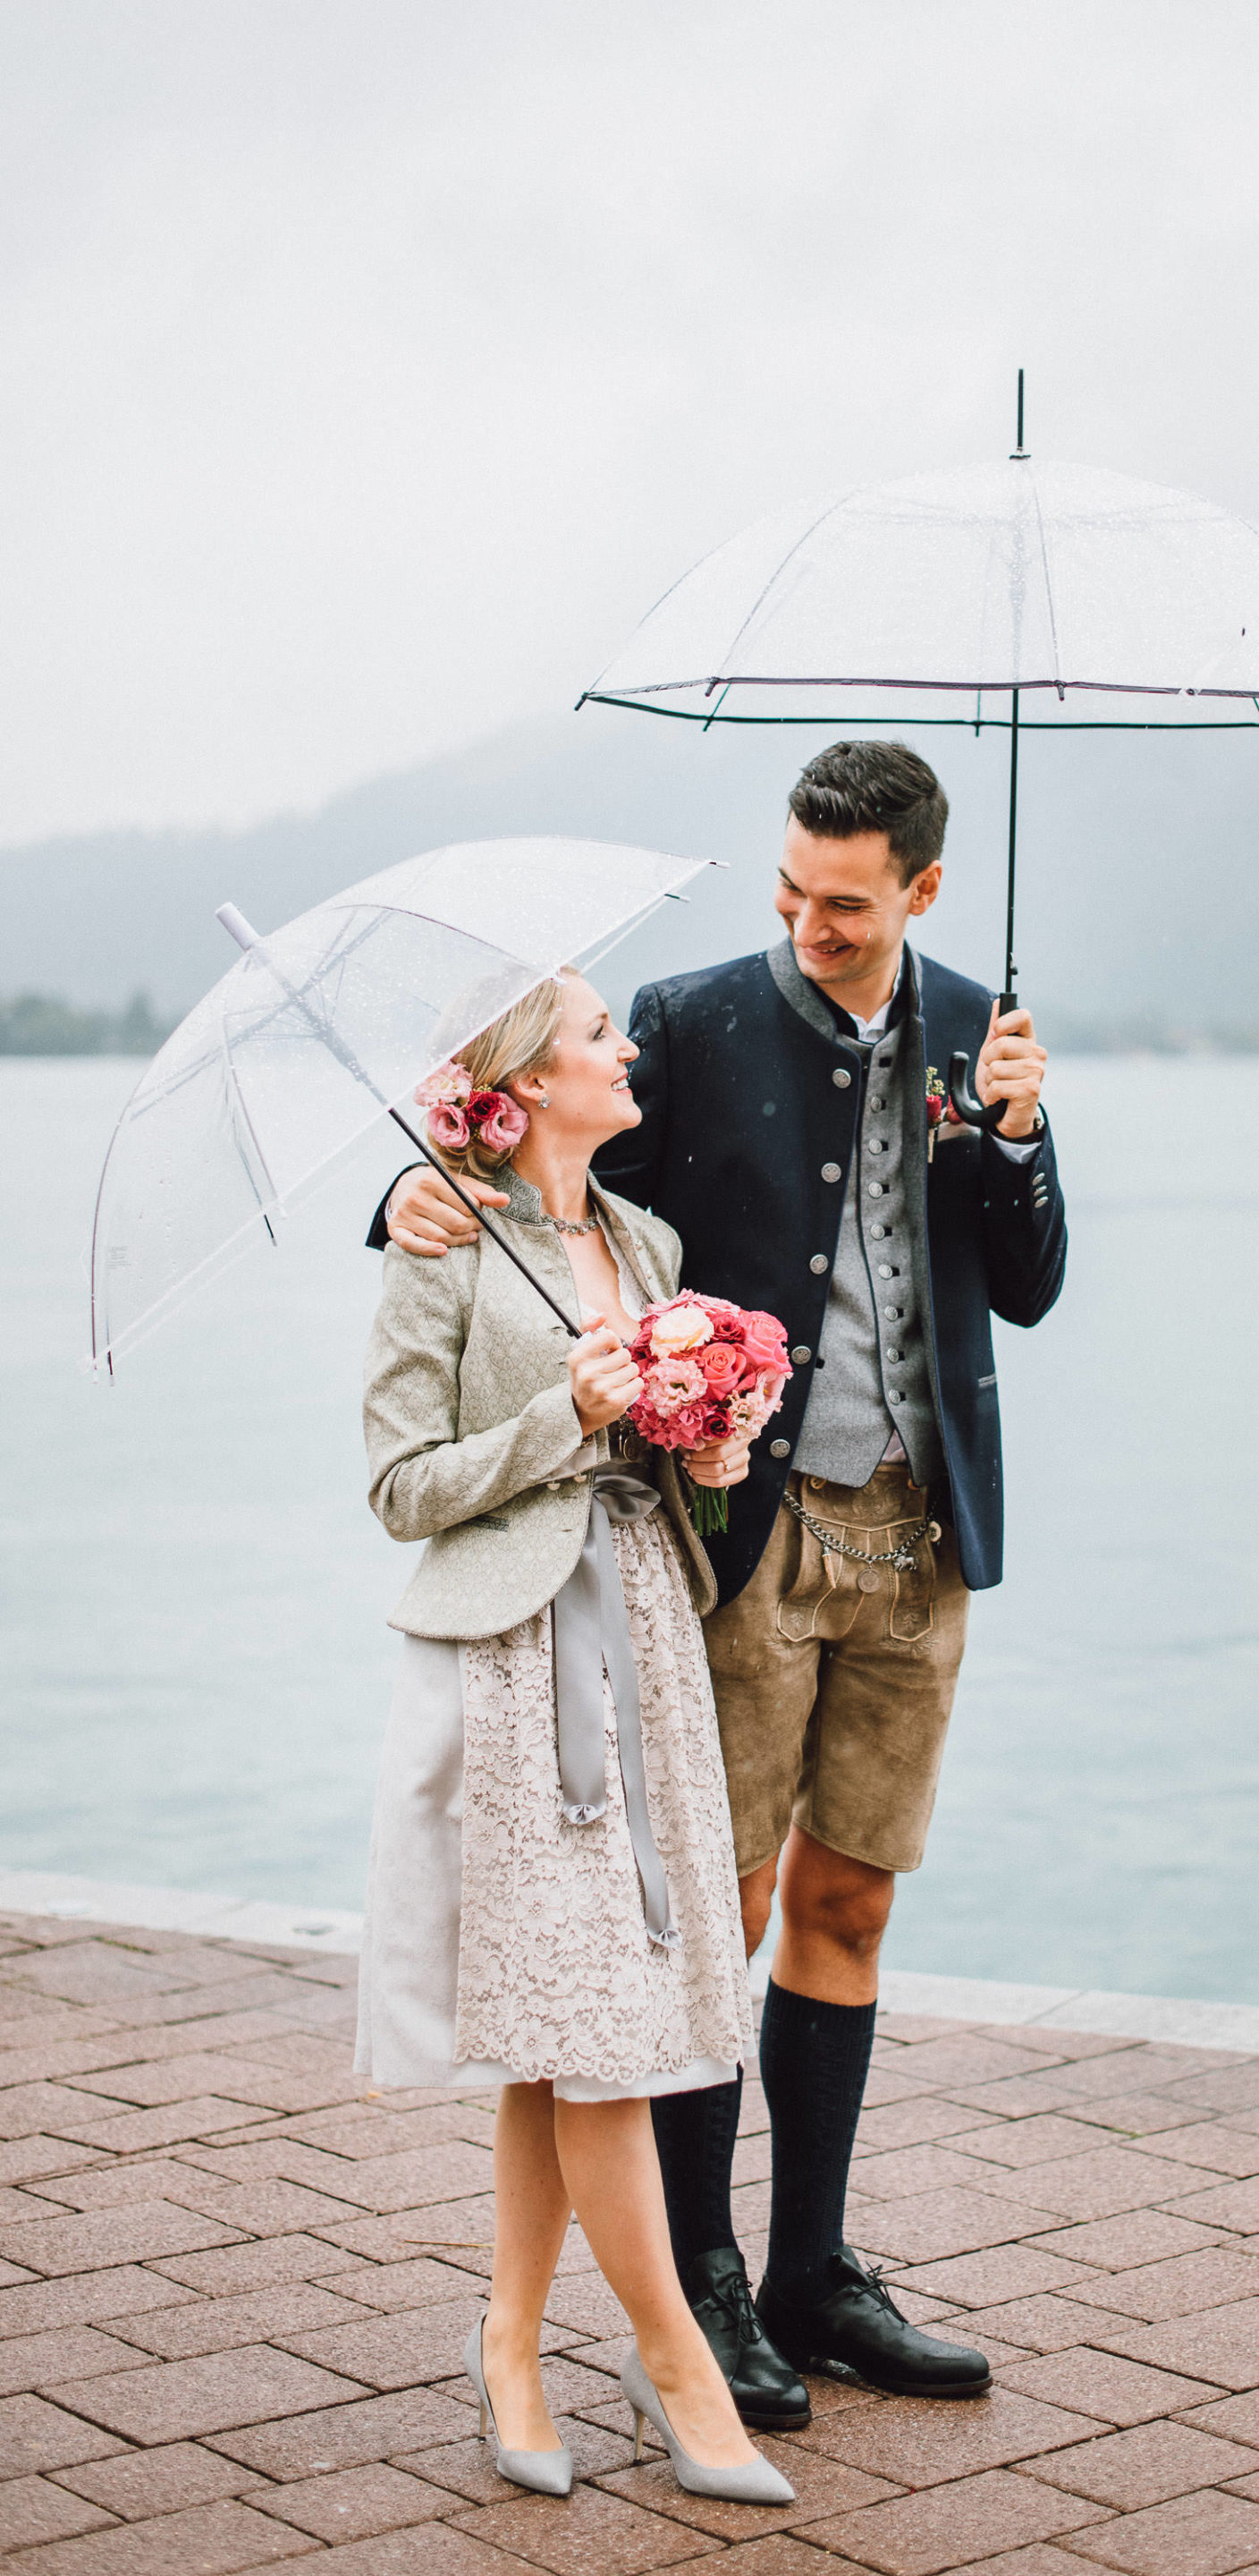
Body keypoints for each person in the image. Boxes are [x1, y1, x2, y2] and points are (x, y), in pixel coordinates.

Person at [376, 739, 1068, 2420]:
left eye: (845, 902)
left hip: (921, 1538)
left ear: (920, 888)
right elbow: (532, 1186)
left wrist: (1023, 1142)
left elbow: (1031, 1287)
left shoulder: (984, 1026)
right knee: (724, 1915)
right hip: (748, 1544)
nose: (809, 922)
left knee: (851, 1904)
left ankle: (812, 2273)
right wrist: (411, 1196)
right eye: (789, 889)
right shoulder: (685, 1022)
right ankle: (698, 2285)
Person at [358, 962, 792, 2506]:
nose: (631, 1051)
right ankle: (679, 2364)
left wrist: (708, 1437)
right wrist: (572, 1418)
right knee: (600, 2036)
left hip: (649, 1642)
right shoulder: (440, 1238)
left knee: (565, 2035)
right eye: (602, 1035)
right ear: (529, 1080)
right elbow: (402, 1486)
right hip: (515, 1662)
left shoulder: (643, 1238)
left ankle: (512, 2343)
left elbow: (672, 1477)